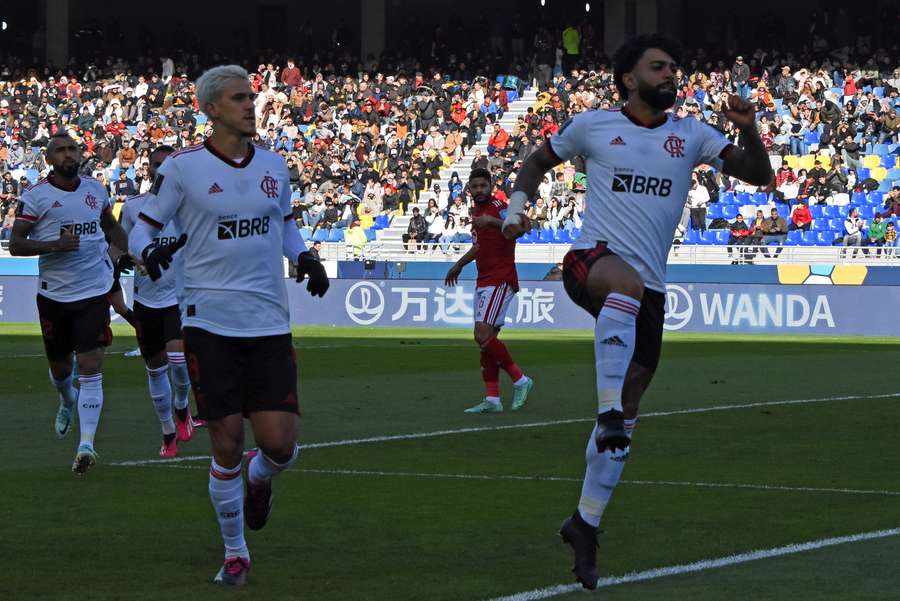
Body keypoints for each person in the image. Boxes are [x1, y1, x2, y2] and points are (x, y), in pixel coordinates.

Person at [499, 34, 773, 590]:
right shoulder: (593, 125)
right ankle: (604, 413)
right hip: (591, 260)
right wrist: (517, 209)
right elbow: (535, 162)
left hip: (650, 290)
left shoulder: (690, 134)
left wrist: (747, 127)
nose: (672, 73)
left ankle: (585, 522)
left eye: (675, 66)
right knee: (616, 369)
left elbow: (759, 176)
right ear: (628, 78)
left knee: (631, 407)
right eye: (659, 66)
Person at [127, 65, 329, 586]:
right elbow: (141, 227)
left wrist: (304, 258)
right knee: (226, 442)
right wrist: (147, 251)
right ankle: (236, 552)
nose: (250, 105)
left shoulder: (275, 166)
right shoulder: (182, 168)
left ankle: (260, 480)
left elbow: (284, 222)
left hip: (268, 320)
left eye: (252, 97)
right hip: (208, 321)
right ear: (211, 109)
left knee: (280, 444)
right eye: (239, 98)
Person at [9, 132, 133, 473]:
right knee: (62, 370)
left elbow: (114, 230)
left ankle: (86, 445)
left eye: (73, 148)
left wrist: (115, 256)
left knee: (91, 367)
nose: (68, 154)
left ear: (80, 154)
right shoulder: (35, 197)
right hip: (54, 296)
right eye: (60, 150)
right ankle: (66, 400)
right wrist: (54, 246)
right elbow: (17, 244)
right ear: (48, 159)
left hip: (93, 292)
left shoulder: (95, 189)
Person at [119, 145, 197, 457]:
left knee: (178, 361)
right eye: (155, 164)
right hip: (145, 300)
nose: (159, 169)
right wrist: (119, 259)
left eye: (165, 164)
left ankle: (181, 407)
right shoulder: (132, 207)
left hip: (176, 299)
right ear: (148, 169)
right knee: (154, 369)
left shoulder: (188, 208)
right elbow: (122, 245)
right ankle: (167, 431)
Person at [445, 168, 533, 414]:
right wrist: (458, 265)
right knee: (485, 342)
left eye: (484, 185)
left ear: (491, 186)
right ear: (469, 189)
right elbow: (479, 246)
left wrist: (494, 222)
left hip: (500, 278)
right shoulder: (476, 212)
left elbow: (518, 229)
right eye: (475, 187)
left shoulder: (498, 206)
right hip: (484, 279)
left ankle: (521, 380)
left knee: (482, 334)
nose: (479, 190)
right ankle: (493, 399)